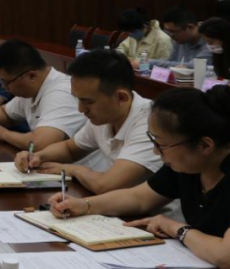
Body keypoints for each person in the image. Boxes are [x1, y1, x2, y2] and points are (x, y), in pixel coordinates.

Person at [48, 87, 230, 269]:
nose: (156, 151)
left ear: (205, 145)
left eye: (161, 144)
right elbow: (139, 198)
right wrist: (85, 205)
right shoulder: (190, 162)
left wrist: (176, 228)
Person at [14, 50, 163, 194]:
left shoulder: (151, 123)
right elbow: (69, 149)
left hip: (151, 211)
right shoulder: (106, 116)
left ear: (121, 98)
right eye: (78, 100)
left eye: (88, 102)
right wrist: (37, 157)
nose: (81, 109)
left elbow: (106, 185)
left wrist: (73, 170)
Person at [0, 39, 86, 151]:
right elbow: (5, 113)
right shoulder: (31, 89)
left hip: (75, 167)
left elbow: (39, 144)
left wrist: (3, 133)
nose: (3, 87)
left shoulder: (61, 94)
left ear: (31, 76)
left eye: (6, 82)